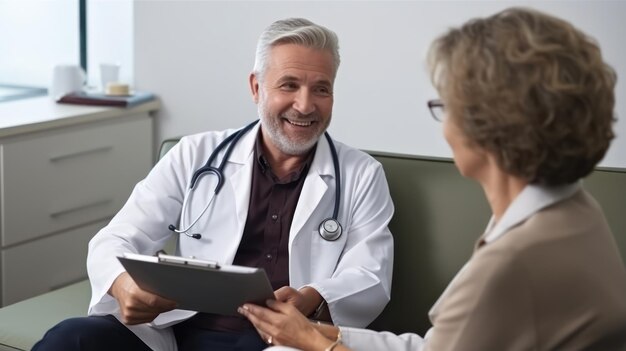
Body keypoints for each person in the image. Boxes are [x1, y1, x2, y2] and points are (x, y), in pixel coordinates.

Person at [238, 7, 626, 351]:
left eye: (447, 105)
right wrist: (322, 335)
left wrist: (310, 341)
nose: (445, 128)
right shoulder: (574, 212)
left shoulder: (510, 268)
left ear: (492, 125)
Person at [33, 18, 394, 351]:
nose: (305, 105)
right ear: (256, 87)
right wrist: (122, 283)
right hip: (175, 330)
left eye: (321, 89)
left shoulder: (361, 174)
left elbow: (370, 273)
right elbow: (115, 239)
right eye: (289, 85)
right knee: (70, 338)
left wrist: (312, 296)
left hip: (275, 341)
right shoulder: (195, 154)